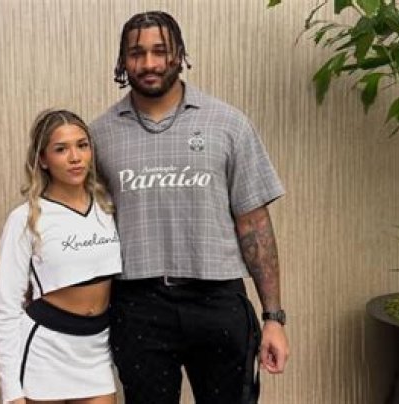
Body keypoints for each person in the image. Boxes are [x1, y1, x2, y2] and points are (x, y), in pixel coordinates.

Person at [90, 11, 289, 404]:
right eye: (137, 53)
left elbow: (254, 225)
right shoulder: (99, 136)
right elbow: (82, 227)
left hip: (218, 300)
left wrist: (273, 318)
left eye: (160, 51)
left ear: (179, 54)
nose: (149, 63)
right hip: (138, 305)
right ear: (123, 61)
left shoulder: (228, 124)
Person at [0, 109, 122, 404]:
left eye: (82, 145)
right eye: (61, 149)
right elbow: (6, 308)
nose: (75, 157)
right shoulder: (26, 218)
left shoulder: (108, 208)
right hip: (46, 349)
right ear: (43, 159)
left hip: (96, 350)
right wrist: (12, 392)